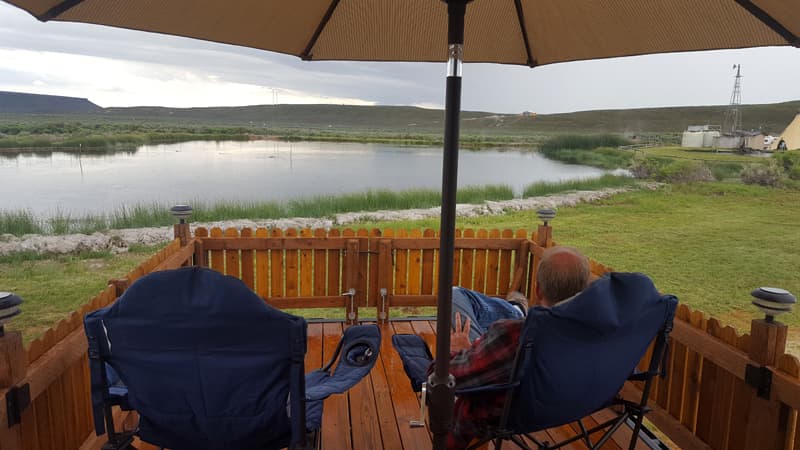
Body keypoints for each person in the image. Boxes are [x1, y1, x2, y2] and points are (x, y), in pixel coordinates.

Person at [438, 246, 591, 449]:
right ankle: (516, 309)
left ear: (537, 289)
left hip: (508, 408)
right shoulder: (595, 333)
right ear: (585, 290)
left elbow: (444, 376)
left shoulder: (513, 335)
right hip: (568, 404)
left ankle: (515, 310)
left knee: (454, 295)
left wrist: (460, 349)